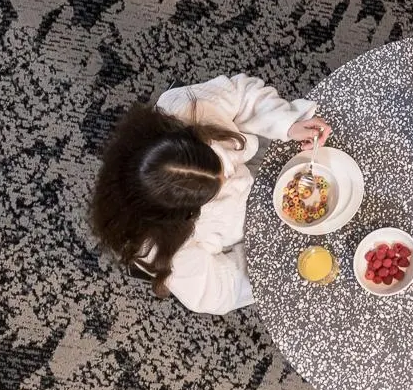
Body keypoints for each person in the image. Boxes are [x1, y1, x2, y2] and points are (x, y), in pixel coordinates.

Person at [90, 75, 330, 315]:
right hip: (251, 244)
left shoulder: (187, 107)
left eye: (220, 167)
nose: (227, 178)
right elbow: (220, 293)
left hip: (261, 176)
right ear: (185, 216)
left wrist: (286, 123)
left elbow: (242, 93)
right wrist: (269, 253)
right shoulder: (163, 248)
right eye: (216, 189)